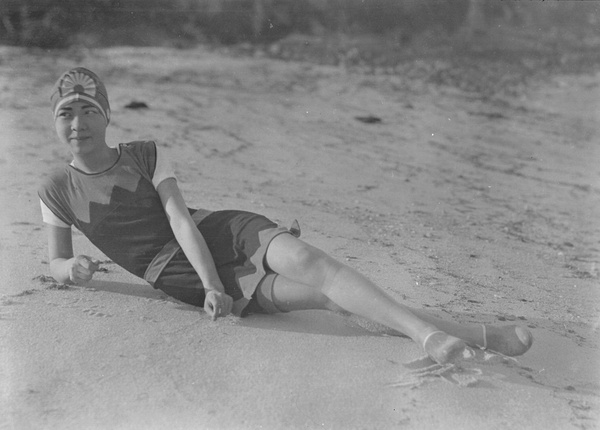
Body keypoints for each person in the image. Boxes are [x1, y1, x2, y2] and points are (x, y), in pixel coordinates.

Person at [39, 67, 533, 365]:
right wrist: (72, 271)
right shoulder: (55, 189)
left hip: (216, 231)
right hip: (175, 274)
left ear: (106, 114)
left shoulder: (144, 153)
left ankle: (430, 336)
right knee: (327, 299)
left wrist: (214, 285)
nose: (78, 123)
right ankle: (482, 337)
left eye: (88, 110)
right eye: (66, 113)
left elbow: (180, 221)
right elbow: (55, 263)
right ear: (56, 122)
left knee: (313, 261)